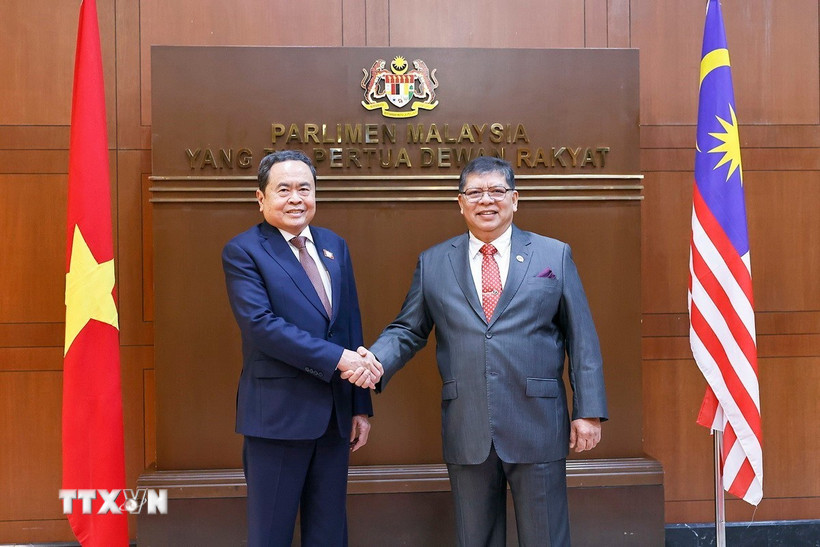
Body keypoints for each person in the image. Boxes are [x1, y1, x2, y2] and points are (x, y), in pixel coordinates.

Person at [353, 156, 608, 546]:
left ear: (515, 199)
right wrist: (375, 361)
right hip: (467, 423)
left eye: (496, 191)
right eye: (474, 192)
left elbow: (582, 338)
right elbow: (408, 329)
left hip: (537, 421)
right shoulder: (434, 261)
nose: (486, 200)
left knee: (546, 538)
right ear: (460, 202)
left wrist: (588, 411)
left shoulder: (552, 255)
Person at [222, 150, 381, 546]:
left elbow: (348, 324)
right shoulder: (244, 251)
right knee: (271, 532)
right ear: (261, 198)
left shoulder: (333, 245)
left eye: (304, 189)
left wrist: (360, 405)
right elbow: (261, 327)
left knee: (329, 531)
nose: (296, 198)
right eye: (284, 189)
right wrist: (337, 359)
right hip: (276, 416)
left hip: (334, 418)